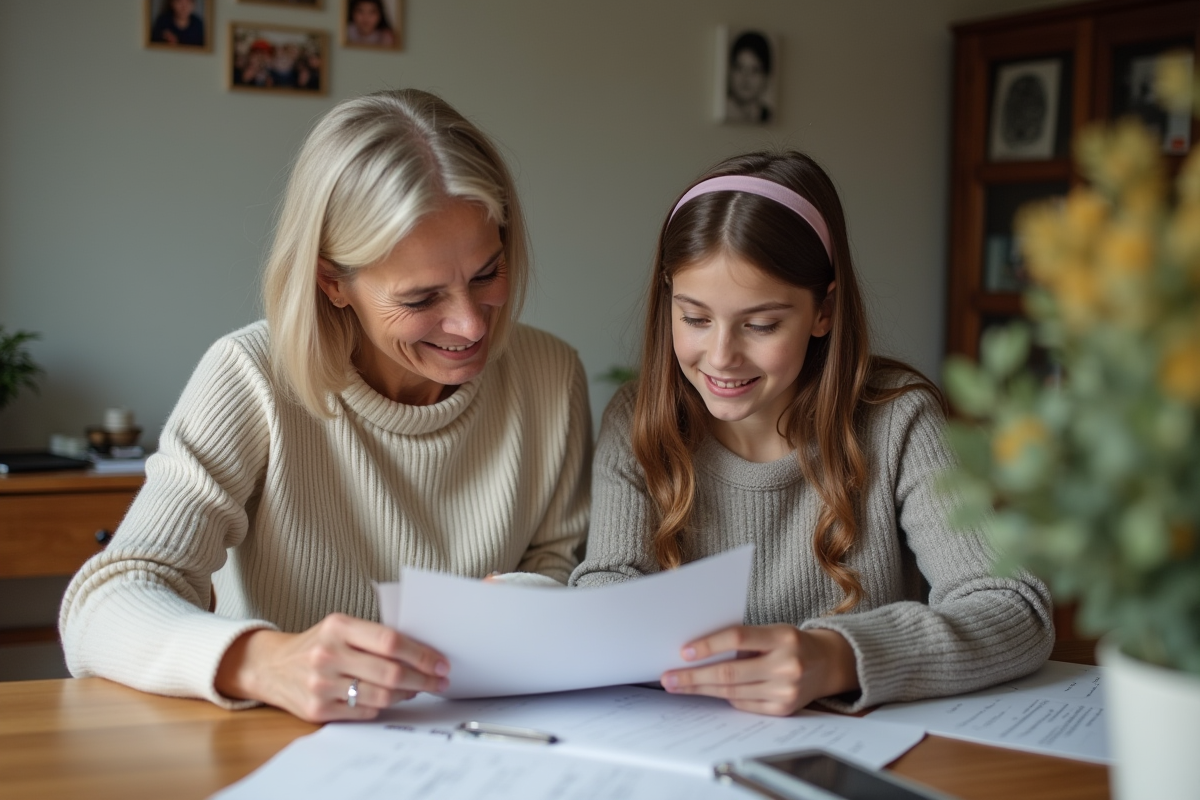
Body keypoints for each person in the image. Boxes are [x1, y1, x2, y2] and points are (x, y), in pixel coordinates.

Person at [60, 89, 592, 723]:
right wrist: (264, 661)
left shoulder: (549, 375)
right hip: (279, 750)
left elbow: (563, 564)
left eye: (487, 273)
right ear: (332, 282)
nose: (471, 326)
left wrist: (522, 598)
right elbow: (104, 603)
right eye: (421, 299)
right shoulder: (250, 377)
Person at [570, 151, 1053, 716]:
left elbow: (1015, 608)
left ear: (823, 310)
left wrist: (839, 657)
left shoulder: (898, 421)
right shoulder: (638, 420)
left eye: (761, 324)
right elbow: (605, 592)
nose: (721, 356)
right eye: (695, 318)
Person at [725, 31, 773, 124]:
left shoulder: (768, 116)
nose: (746, 78)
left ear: (766, 77)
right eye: (739, 68)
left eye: (755, 70)